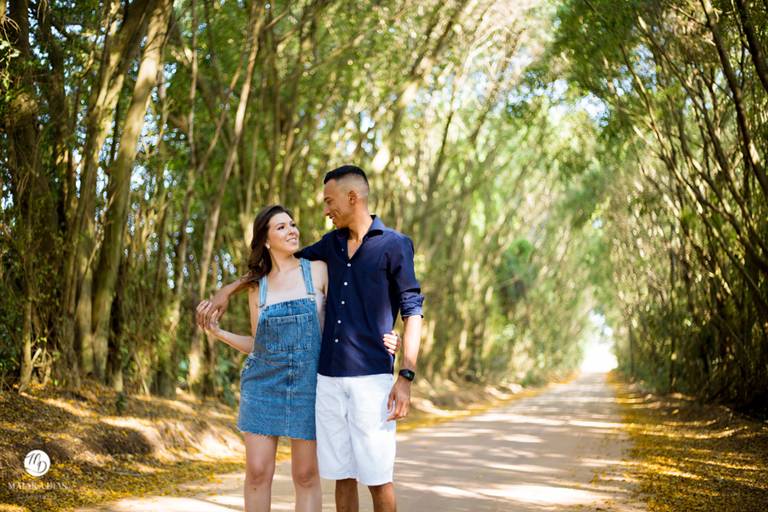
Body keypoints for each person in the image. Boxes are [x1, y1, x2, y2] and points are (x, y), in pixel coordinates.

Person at [201, 165, 424, 512]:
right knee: (341, 476)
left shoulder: (390, 246)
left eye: (329, 201)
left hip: (359, 377)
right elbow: (277, 268)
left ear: (352, 197)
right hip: (323, 380)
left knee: (374, 476)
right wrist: (229, 289)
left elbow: (407, 308)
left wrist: (405, 371)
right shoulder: (329, 246)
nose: (325, 210)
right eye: (282, 226)